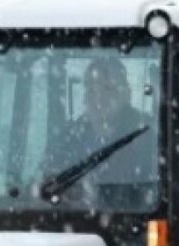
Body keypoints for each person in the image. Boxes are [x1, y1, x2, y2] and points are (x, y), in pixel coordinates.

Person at [46, 57, 154, 208]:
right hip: (74, 223)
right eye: (91, 89)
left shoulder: (146, 135)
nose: (98, 97)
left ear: (126, 94)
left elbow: (150, 194)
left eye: (108, 88)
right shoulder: (70, 137)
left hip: (129, 222)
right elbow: (47, 181)